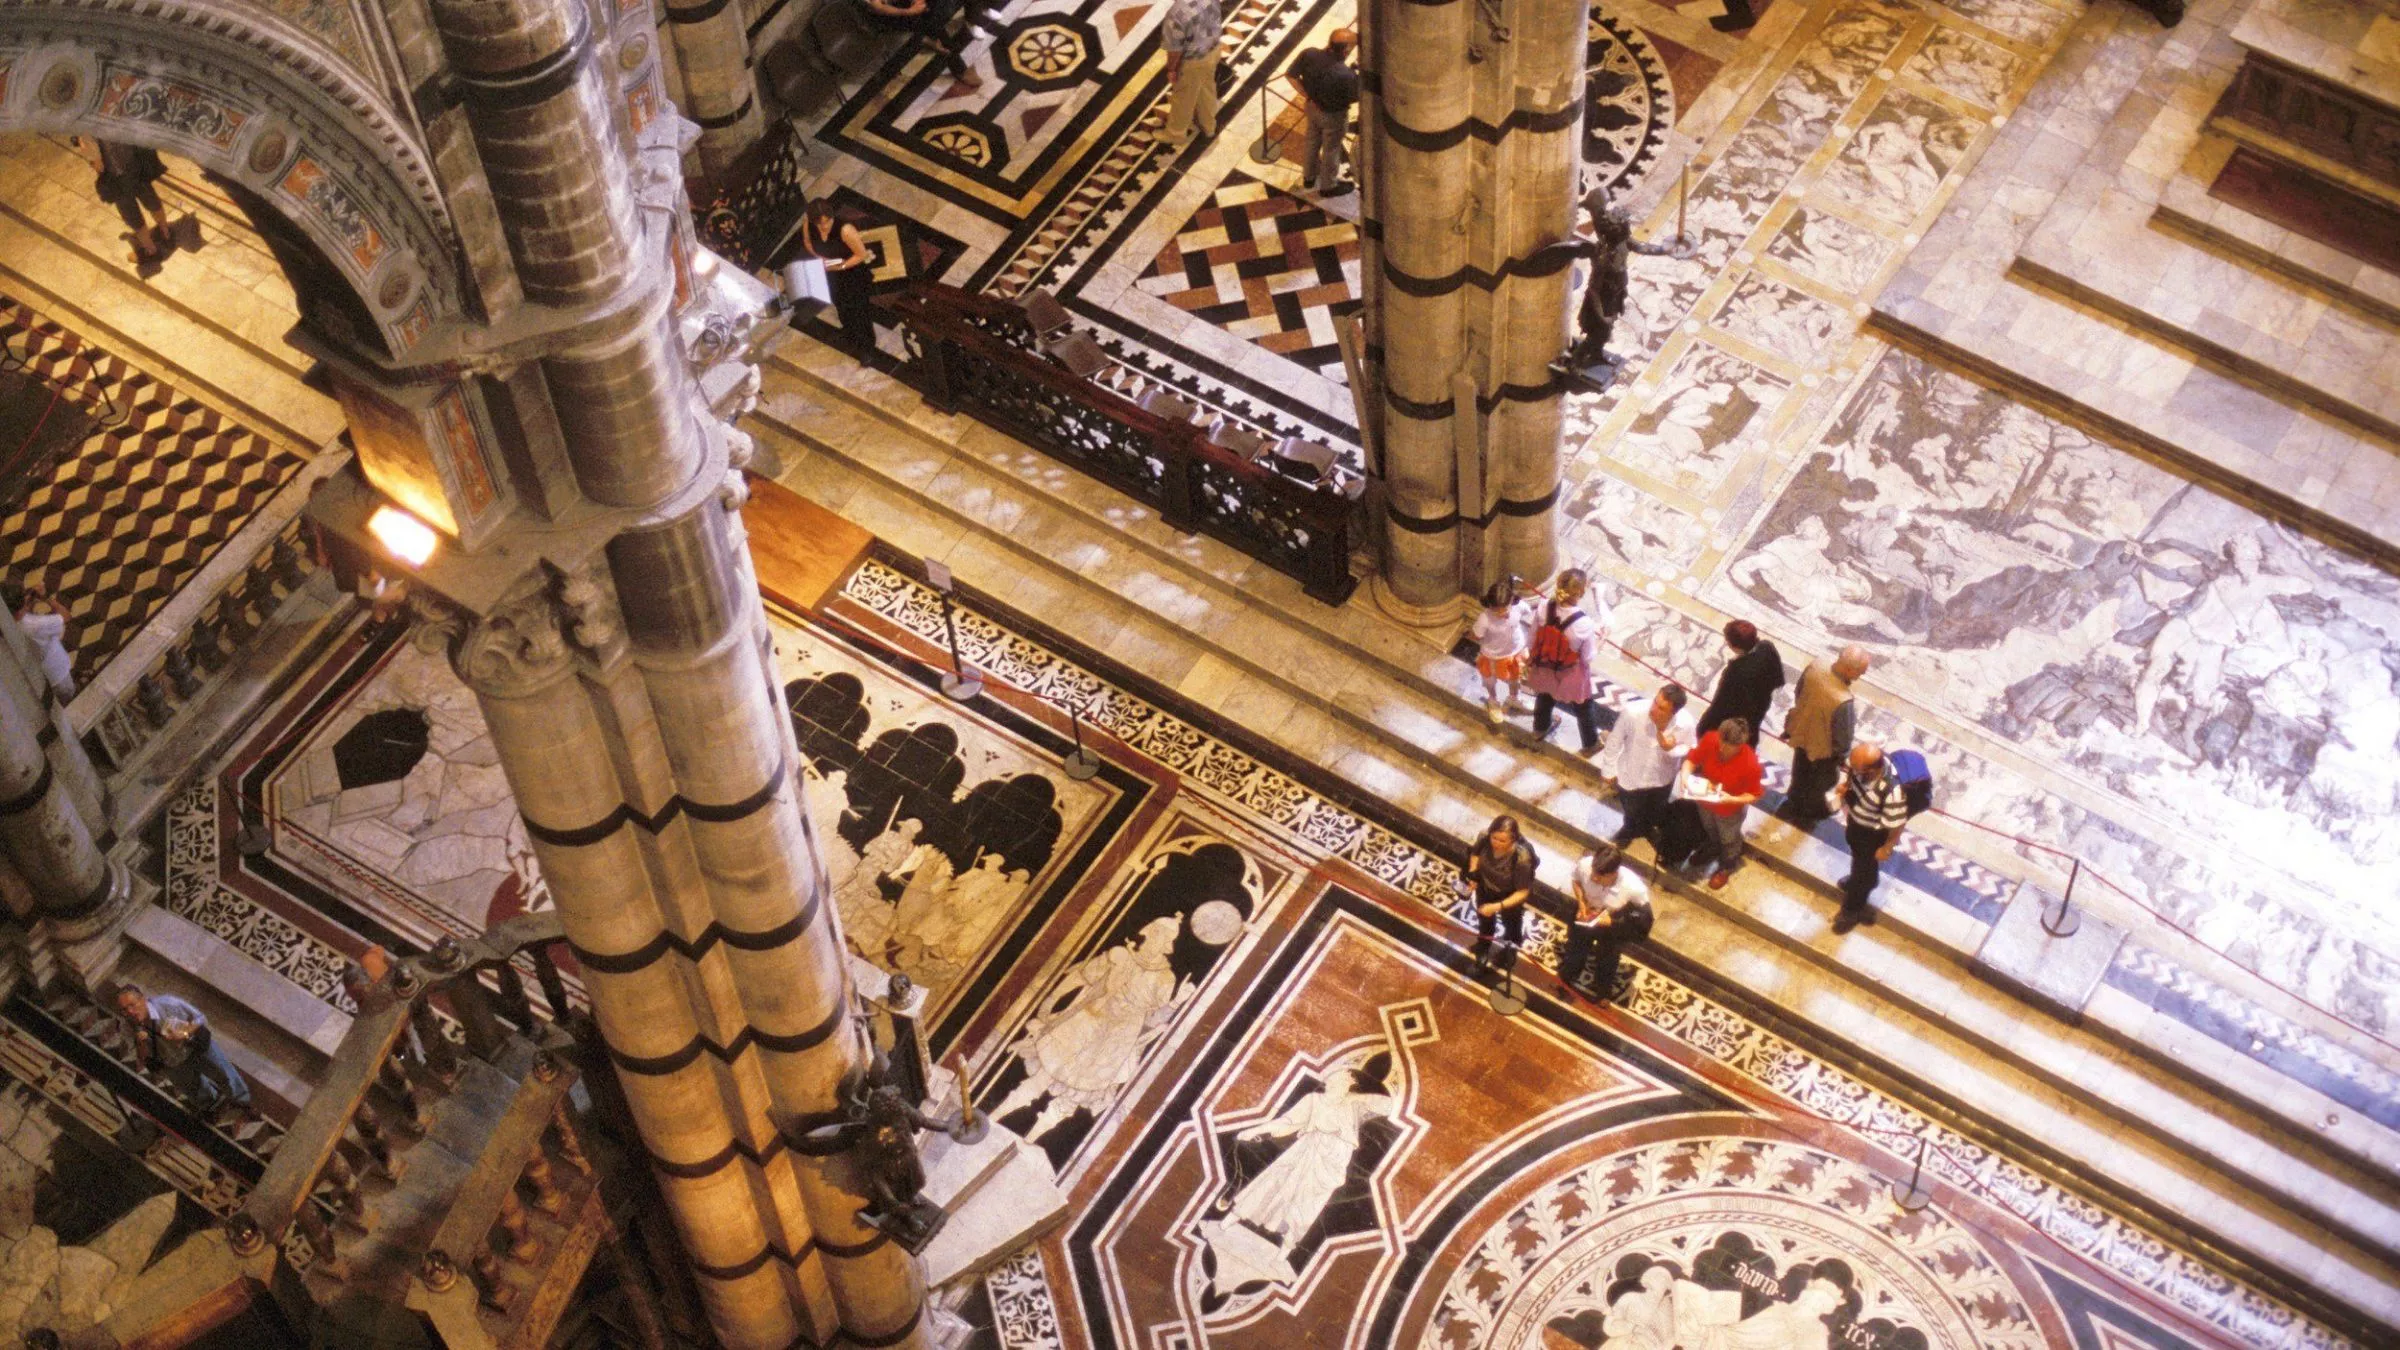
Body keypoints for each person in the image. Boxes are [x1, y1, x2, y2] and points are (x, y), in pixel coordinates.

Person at [1556, 183, 1676, 378]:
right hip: (1601, 296)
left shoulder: (1624, 242)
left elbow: (1644, 248)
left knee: (1605, 331)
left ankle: (1596, 354)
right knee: (1597, 332)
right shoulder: (1603, 256)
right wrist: (1601, 314)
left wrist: (1666, 250)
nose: (1626, 232)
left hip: (1616, 290)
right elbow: (1593, 289)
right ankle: (1576, 362)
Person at [114, 983, 252, 1122]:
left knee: (224, 1075)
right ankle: (213, 1109)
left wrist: (184, 1033)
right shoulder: (127, 1026)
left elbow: (200, 1018)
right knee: (195, 1091)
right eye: (124, 1010)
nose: (130, 1012)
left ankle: (244, 1104)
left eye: (133, 1005)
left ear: (143, 999)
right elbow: (141, 1058)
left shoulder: (167, 1004)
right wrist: (141, 1042)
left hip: (195, 1048)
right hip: (173, 1063)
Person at [1777, 646, 1870, 830]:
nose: (1861, 675)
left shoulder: (1816, 665)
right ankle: (1811, 813)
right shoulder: (1843, 700)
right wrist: (1842, 757)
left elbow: (1798, 692)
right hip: (1823, 751)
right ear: (1850, 669)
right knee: (1821, 784)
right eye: (1861, 671)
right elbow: (1842, 738)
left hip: (1801, 733)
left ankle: (1792, 801)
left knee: (1799, 772)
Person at [1526, 569, 1608, 756]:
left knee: (1545, 696)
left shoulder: (1543, 606)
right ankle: (1591, 743)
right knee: (1583, 706)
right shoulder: (1584, 623)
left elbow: (1532, 638)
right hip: (1569, 674)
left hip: (1545, 665)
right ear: (1580, 593)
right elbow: (1587, 657)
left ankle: (1540, 728)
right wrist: (1601, 641)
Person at [1600, 684, 1687, 850]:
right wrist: (1608, 769)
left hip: (1662, 777)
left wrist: (1671, 749)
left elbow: (1688, 748)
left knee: (1657, 808)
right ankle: (1629, 829)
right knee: (1631, 809)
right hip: (1632, 773)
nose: (1653, 709)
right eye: (1655, 702)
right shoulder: (1633, 712)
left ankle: (1648, 829)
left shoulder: (1685, 723)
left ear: (1673, 712)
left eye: (1661, 708)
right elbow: (1615, 740)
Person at [1559, 842, 1651, 1001]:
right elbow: (1576, 881)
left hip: (1611, 924)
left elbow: (1644, 916)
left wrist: (1613, 922)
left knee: (1608, 957)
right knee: (1576, 947)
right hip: (1586, 914)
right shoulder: (1585, 865)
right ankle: (1567, 976)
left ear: (1614, 873)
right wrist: (1581, 902)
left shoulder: (1634, 887)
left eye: (1600, 876)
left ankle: (1603, 991)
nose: (1594, 878)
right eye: (1593, 872)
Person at [1834, 742, 1909, 933]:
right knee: (1859, 860)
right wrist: (1846, 789)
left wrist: (1887, 847)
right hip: (1856, 824)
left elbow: (1897, 823)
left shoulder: (1892, 791)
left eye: (1857, 769)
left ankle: (1852, 909)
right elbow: (1852, 778)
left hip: (1872, 835)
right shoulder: (1860, 770)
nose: (1852, 770)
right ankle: (1863, 878)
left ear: (1872, 770)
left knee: (1862, 873)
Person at [1680, 717, 1763, 889]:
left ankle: (1728, 864)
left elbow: (1754, 794)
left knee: (1729, 838)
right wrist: (1685, 777)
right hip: (1705, 800)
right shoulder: (1711, 739)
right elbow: (1692, 760)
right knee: (1709, 828)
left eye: (1729, 745)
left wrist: (1732, 799)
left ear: (1740, 744)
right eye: (1722, 741)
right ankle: (1713, 847)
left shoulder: (1751, 764)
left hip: (1729, 810)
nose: (1722, 748)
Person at [795, 198, 880, 359]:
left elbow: (861, 255)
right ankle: (849, 332)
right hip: (832, 273)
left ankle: (867, 347)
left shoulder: (845, 229)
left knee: (859, 312)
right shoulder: (809, 224)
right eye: (820, 224)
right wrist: (819, 257)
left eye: (827, 222)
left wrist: (840, 266)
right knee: (841, 306)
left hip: (852, 274)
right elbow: (808, 242)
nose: (824, 226)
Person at [78, 138, 174, 270]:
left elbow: (98, 165)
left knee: (132, 216)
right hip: (136, 166)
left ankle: (151, 250)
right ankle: (166, 232)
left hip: (117, 179)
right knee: (151, 199)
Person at [1286, 28, 1358, 195]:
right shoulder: (1345, 75)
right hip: (1333, 117)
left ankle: (1309, 178)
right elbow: (1353, 97)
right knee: (1331, 149)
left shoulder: (1309, 53)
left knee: (1312, 141)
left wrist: (1309, 96)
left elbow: (1290, 76)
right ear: (1346, 49)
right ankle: (1328, 186)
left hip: (1312, 108)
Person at [1464, 815, 1536, 965]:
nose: (1496, 843)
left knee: (1512, 925)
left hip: (1508, 895)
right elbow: (1475, 854)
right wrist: (1473, 874)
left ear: (1513, 840)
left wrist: (1497, 906)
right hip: (1485, 887)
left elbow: (1523, 892)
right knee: (1484, 920)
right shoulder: (1484, 837)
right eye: (1494, 838)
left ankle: (1510, 951)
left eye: (1502, 841)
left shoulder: (1521, 858)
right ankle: (1483, 946)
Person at [860, 0, 984, 86]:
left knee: (932, 17)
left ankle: (929, 35)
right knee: (932, 23)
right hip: (884, 17)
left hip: (901, 4)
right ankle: (959, 68)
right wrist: (911, 11)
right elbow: (878, 8)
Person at [1469, 576, 1539, 724]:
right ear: (1489, 606)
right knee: (1490, 680)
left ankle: (1514, 698)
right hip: (1493, 656)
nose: (1502, 614)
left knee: (1515, 678)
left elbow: (1530, 610)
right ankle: (1493, 701)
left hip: (1515, 650)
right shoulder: (1484, 619)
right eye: (1497, 611)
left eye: (1505, 609)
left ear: (1511, 601)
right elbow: (1475, 635)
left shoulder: (1518, 607)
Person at [1698, 619, 1784, 738]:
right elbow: (1779, 680)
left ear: (1734, 646)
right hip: (1756, 717)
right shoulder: (1767, 648)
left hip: (1734, 728)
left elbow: (1720, 705)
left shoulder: (1735, 671)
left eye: (1727, 641)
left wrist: (1703, 728)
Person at [1159, 0, 1226, 151]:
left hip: (1193, 62)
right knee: (1207, 89)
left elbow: (1174, 50)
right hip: (1213, 50)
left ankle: (1175, 134)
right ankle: (1209, 126)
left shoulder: (1176, 15)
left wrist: (1171, 70)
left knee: (1183, 98)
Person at [7, 582, 75, 700]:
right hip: (57, 672)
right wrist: (46, 597)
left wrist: (27, 604)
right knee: (68, 694)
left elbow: (19, 615)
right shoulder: (34, 625)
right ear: (20, 607)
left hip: (34, 672)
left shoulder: (7, 624)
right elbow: (66, 616)